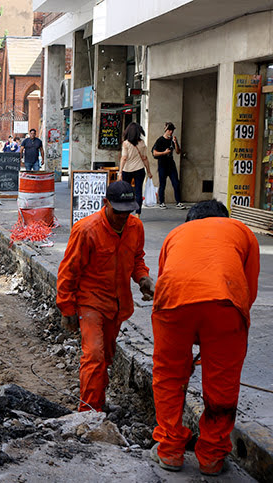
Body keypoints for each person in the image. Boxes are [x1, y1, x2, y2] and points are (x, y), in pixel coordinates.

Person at [149, 200, 259, 476]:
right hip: (226, 305)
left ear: (189, 220)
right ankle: (211, 457)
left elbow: (165, 279)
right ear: (224, 218)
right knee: (222, 382)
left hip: (171, 303)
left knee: (169, 376)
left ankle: (170, 451)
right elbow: (248, 290)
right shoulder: (241, 230)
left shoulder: (175, 234)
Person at [56, 181, 155, 412]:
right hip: (91, 302)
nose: (123, 216)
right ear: (106, 203)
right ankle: (89, 413)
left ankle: (97, 401)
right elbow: (68, 271)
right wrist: (67, 309)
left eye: (128, 211)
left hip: (118, 304)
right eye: (118, 211)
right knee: (94, 356)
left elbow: (137, 258)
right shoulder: (86, 230)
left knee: (106, 357)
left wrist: (142, 278)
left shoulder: (135, 227)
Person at [118, 122, 152, 216]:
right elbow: (145, 158)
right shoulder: (142, 143)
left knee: (126, 191)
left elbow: (124, 158)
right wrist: (149, 171)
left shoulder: (126, 143)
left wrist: (120, 172)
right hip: (139, 169)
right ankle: (138, 213)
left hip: (127, 170)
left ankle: (126, 211)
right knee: (138, 191)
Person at [152, 122, 185, 209]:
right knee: (162, 183)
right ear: (166, 130)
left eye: (172, 130)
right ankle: (162, 202)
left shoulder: (173, 140)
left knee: (176, 183)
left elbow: (178, 151)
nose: (171, 132)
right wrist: (164, 152)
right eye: (169, 130)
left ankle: (178, 202)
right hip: (162, 164)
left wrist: (175, 143)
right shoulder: (160, 140)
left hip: (171, 164)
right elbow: (154, 153)